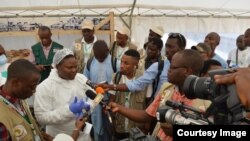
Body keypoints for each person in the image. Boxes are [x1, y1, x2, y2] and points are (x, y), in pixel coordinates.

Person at [108, 50, 211, 141]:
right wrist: (118, 107)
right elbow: (147, 115)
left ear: (187, 71)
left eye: (172, 68)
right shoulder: (167, 89)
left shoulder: (207, 101)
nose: (168, 71)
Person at [98, 33, 187, 98]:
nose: (167, 50)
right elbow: (138, 84)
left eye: (171, 47)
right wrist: (111, 87)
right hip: (160, 110)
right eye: (167, 46)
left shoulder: (190, 67)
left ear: (182, 48)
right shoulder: (158, 66)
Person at [34, 48, 93, 141]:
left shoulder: (80, 78)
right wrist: (69, 110)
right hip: (59, 136)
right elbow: (41, 118)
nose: (74, 70)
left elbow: (93, 95)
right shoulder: (45, 87)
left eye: (75, 66)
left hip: (83, 135)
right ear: (57, 67)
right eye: (69, 67)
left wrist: (89, 106)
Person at [0, 59, 44, 141]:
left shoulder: (19, 98)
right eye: (31, 87)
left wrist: (41, 135)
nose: (34, 91)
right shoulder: (1, 120)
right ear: (15, 83)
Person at [83, 40, 118, 141]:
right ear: (94, 52)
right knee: (97, 126)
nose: (100, 59)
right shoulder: (90, 63)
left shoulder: (115, 62)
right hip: (96, 99)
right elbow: (85, 81)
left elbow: (120, 80)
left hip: (112, 99)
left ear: (108, 51)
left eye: (103, 57)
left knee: (111, 127)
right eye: (98, 57)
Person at [109, 49, 147, 140]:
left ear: (135, 65)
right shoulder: (116, 77)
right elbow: (112, 99)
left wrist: (147, 124)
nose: (121, 66)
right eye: (121, 62)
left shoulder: (144, 79)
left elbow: (149, 103)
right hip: (119, 125)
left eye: (126, 63)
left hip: (138, 127)